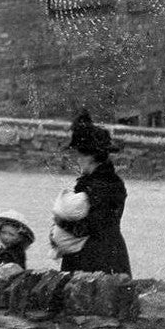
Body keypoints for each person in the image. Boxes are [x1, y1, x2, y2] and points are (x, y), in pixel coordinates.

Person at [55, 111, 131, 275]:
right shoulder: (109, 181)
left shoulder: (97, 186)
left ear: (90, 156)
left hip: (93, 256)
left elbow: (92, 226)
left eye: (79, 154)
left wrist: (60, 223)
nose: (77, 159)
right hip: (110, 250)